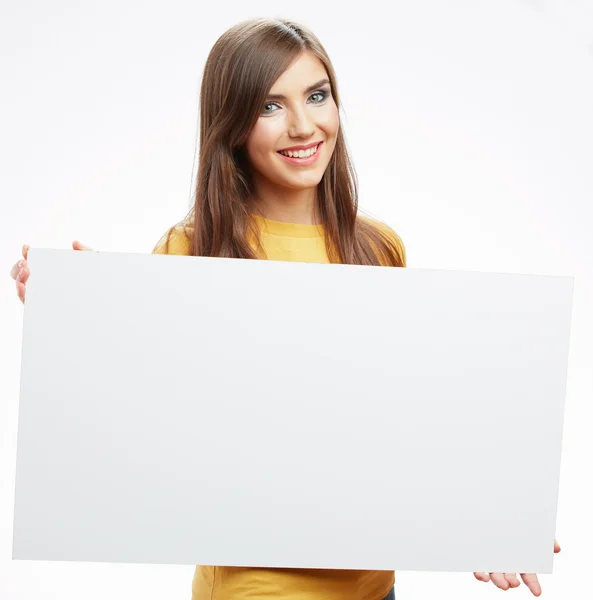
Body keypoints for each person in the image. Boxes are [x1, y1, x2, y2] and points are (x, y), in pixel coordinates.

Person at [10, 16, 561, 600]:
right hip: (256, 589)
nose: (304, 125)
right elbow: (152, 425)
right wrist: (88, 314)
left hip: (374, 587)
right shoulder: (193, 249)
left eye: (317, 96)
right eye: (270, 106)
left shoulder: (378, 249)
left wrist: (491, 519)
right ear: (231, 126)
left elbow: (392, 425)